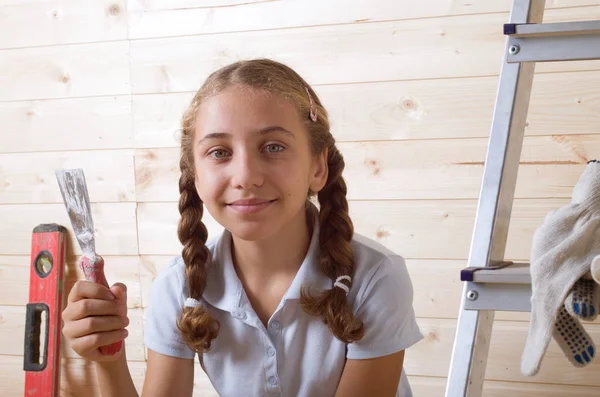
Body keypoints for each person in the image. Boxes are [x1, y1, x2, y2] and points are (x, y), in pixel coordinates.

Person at [61, 58, 424, 397]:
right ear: (195, 177)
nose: (246, 176)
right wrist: (106, 360)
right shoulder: (178, 286)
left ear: (317, 167)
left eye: (273, 146)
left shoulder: (375, 277)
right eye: (219, 152)